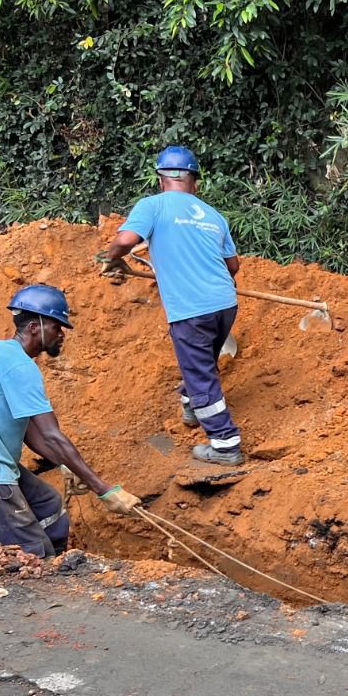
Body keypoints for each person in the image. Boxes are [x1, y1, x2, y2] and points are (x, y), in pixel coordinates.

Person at [0, 285, 142, 557]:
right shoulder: (20, 367)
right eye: (57, 328)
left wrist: (65, 463)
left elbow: (30, 432)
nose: (61, 335)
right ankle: (38, 575)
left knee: (48, 506)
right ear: (35, 327)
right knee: (28, 552)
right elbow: (50, 435)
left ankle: (54, 565)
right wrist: (104, 490)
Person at [99, 145, 244, 466]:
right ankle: (192, 403)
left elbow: (124, 241)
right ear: (195, 182)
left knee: (200, 374)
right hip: (225, 303)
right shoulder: (213, 215)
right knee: (202, 359)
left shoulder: (152, 206)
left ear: (161, 179)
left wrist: (108, 258)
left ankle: (225, 443)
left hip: (191, 309)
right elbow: (233, 266)